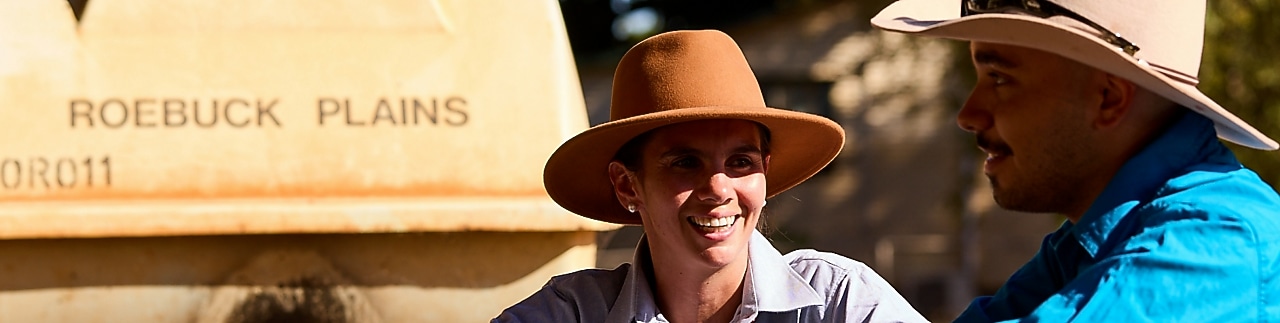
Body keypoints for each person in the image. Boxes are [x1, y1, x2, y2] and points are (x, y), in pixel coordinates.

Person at [870, 0, 1280, 321]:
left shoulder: (1213, 243)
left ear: (1108, 99)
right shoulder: (1089, 241)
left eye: (999, 78)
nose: (968, 115)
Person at [493, 30, 928, 323]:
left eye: (741, 162)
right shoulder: (571, 313)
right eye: (684, 163)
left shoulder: (841, 303)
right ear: (627, 184)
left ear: (765, 172)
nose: (719, 189)